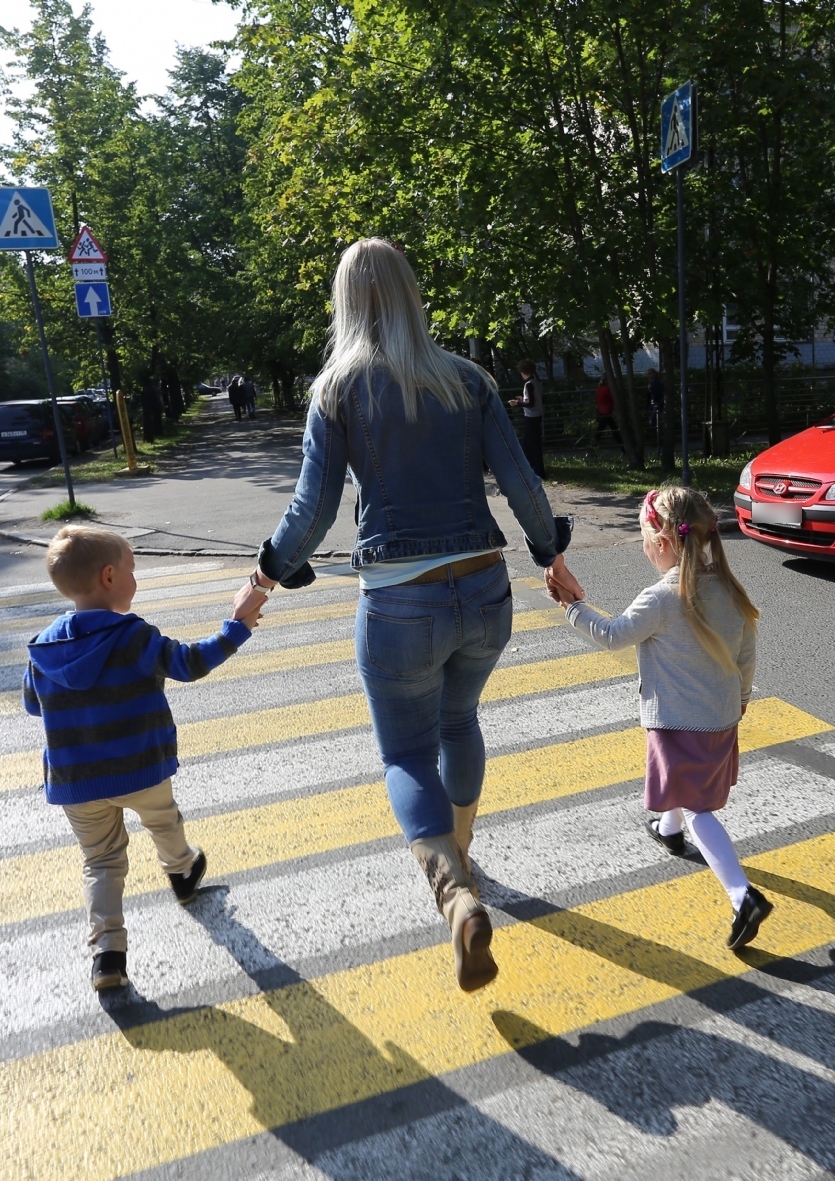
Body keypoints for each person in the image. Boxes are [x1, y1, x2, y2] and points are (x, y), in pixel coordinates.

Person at [243, 238, 579, 993]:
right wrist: (551, 558)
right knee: (460, 723)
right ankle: (464, 857)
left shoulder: (337, 390)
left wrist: (261, 580)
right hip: (485, 593)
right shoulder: (469, 379)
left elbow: (312, 512)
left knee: (404, 754)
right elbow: (523, 484)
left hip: (399, 602)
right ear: (410, 294)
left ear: (347, 301)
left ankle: (453, 889)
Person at [23, 525, 262, 992]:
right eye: (133, 570)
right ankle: (181, 872)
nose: (137, 578)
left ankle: (107, 954)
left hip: (77, 782)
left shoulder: (45, 646)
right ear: (109, 576)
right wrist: (236, 628)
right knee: (164, 822)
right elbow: (189, 663)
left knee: (100, 862)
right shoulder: (134, 636)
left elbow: (34, 704)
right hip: (140, 767)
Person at [550, 486, 770, 950]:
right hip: (721, 717)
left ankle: (741, 895)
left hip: (678, 723)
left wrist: (571, 608)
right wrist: (744, 696)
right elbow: (746, 650)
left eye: (643, 535)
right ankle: (667, 832)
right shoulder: (728, 588)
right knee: (684, 792)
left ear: (663, 542)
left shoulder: (661, 597)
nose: (643, 544)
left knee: (699, 811)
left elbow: (612, 636)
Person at [506, 359, 545, 479]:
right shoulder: (535, 382)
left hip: (531, 417)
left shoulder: (528, 384)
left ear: (523, 372)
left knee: (530, 445)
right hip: (536, 415)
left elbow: (530, 403)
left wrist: (517, 403)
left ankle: (537, 470)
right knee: (529, 444)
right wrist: (523, 400)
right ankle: (534, 468)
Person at [593, 375, 618, 452]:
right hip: (607, 412)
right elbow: (613, 398)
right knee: (613, 429)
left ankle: (593, 444)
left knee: (601, 429)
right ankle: (623, 446)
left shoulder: (598, 389)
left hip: (601, 412)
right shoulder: (607, 389)